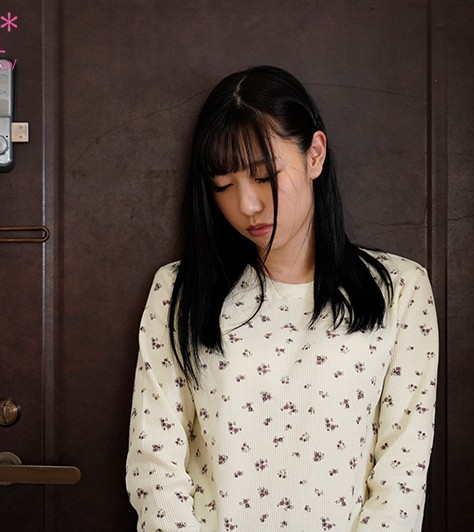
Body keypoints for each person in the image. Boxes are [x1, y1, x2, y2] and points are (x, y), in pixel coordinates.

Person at [126, 66, 438, 531]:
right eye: (223, 186)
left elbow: (403, 471)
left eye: (263, 175)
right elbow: (154, 464)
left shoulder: (399, 288)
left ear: (315, 155)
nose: (247, 205)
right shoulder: (177, 291)